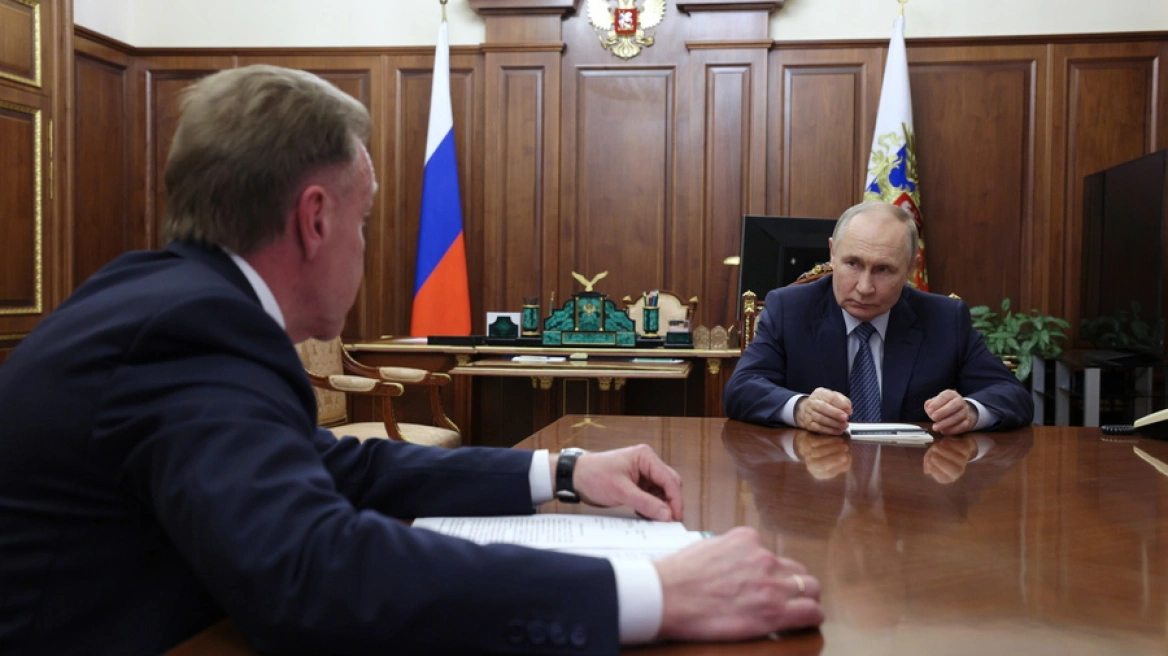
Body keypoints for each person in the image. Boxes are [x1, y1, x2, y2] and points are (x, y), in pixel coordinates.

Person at [0, 65, 822, 655]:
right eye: (363, 223)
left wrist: (565, 472)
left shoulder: (165, 297)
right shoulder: (195, 330)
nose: (363, 246)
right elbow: (312, 574)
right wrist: (651, 592)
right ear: (315, 220)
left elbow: (339, 468)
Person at [724, 201, 1033, 435]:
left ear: (911, 267)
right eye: (853, 264)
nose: (865, 287)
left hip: (911, 482)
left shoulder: (944, 319)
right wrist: (800, 408)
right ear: (832, 253)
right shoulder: (790, 309)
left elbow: (1012, 396)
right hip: (814, 480)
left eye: (883, 269)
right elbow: (742, 389)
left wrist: (971, 412)